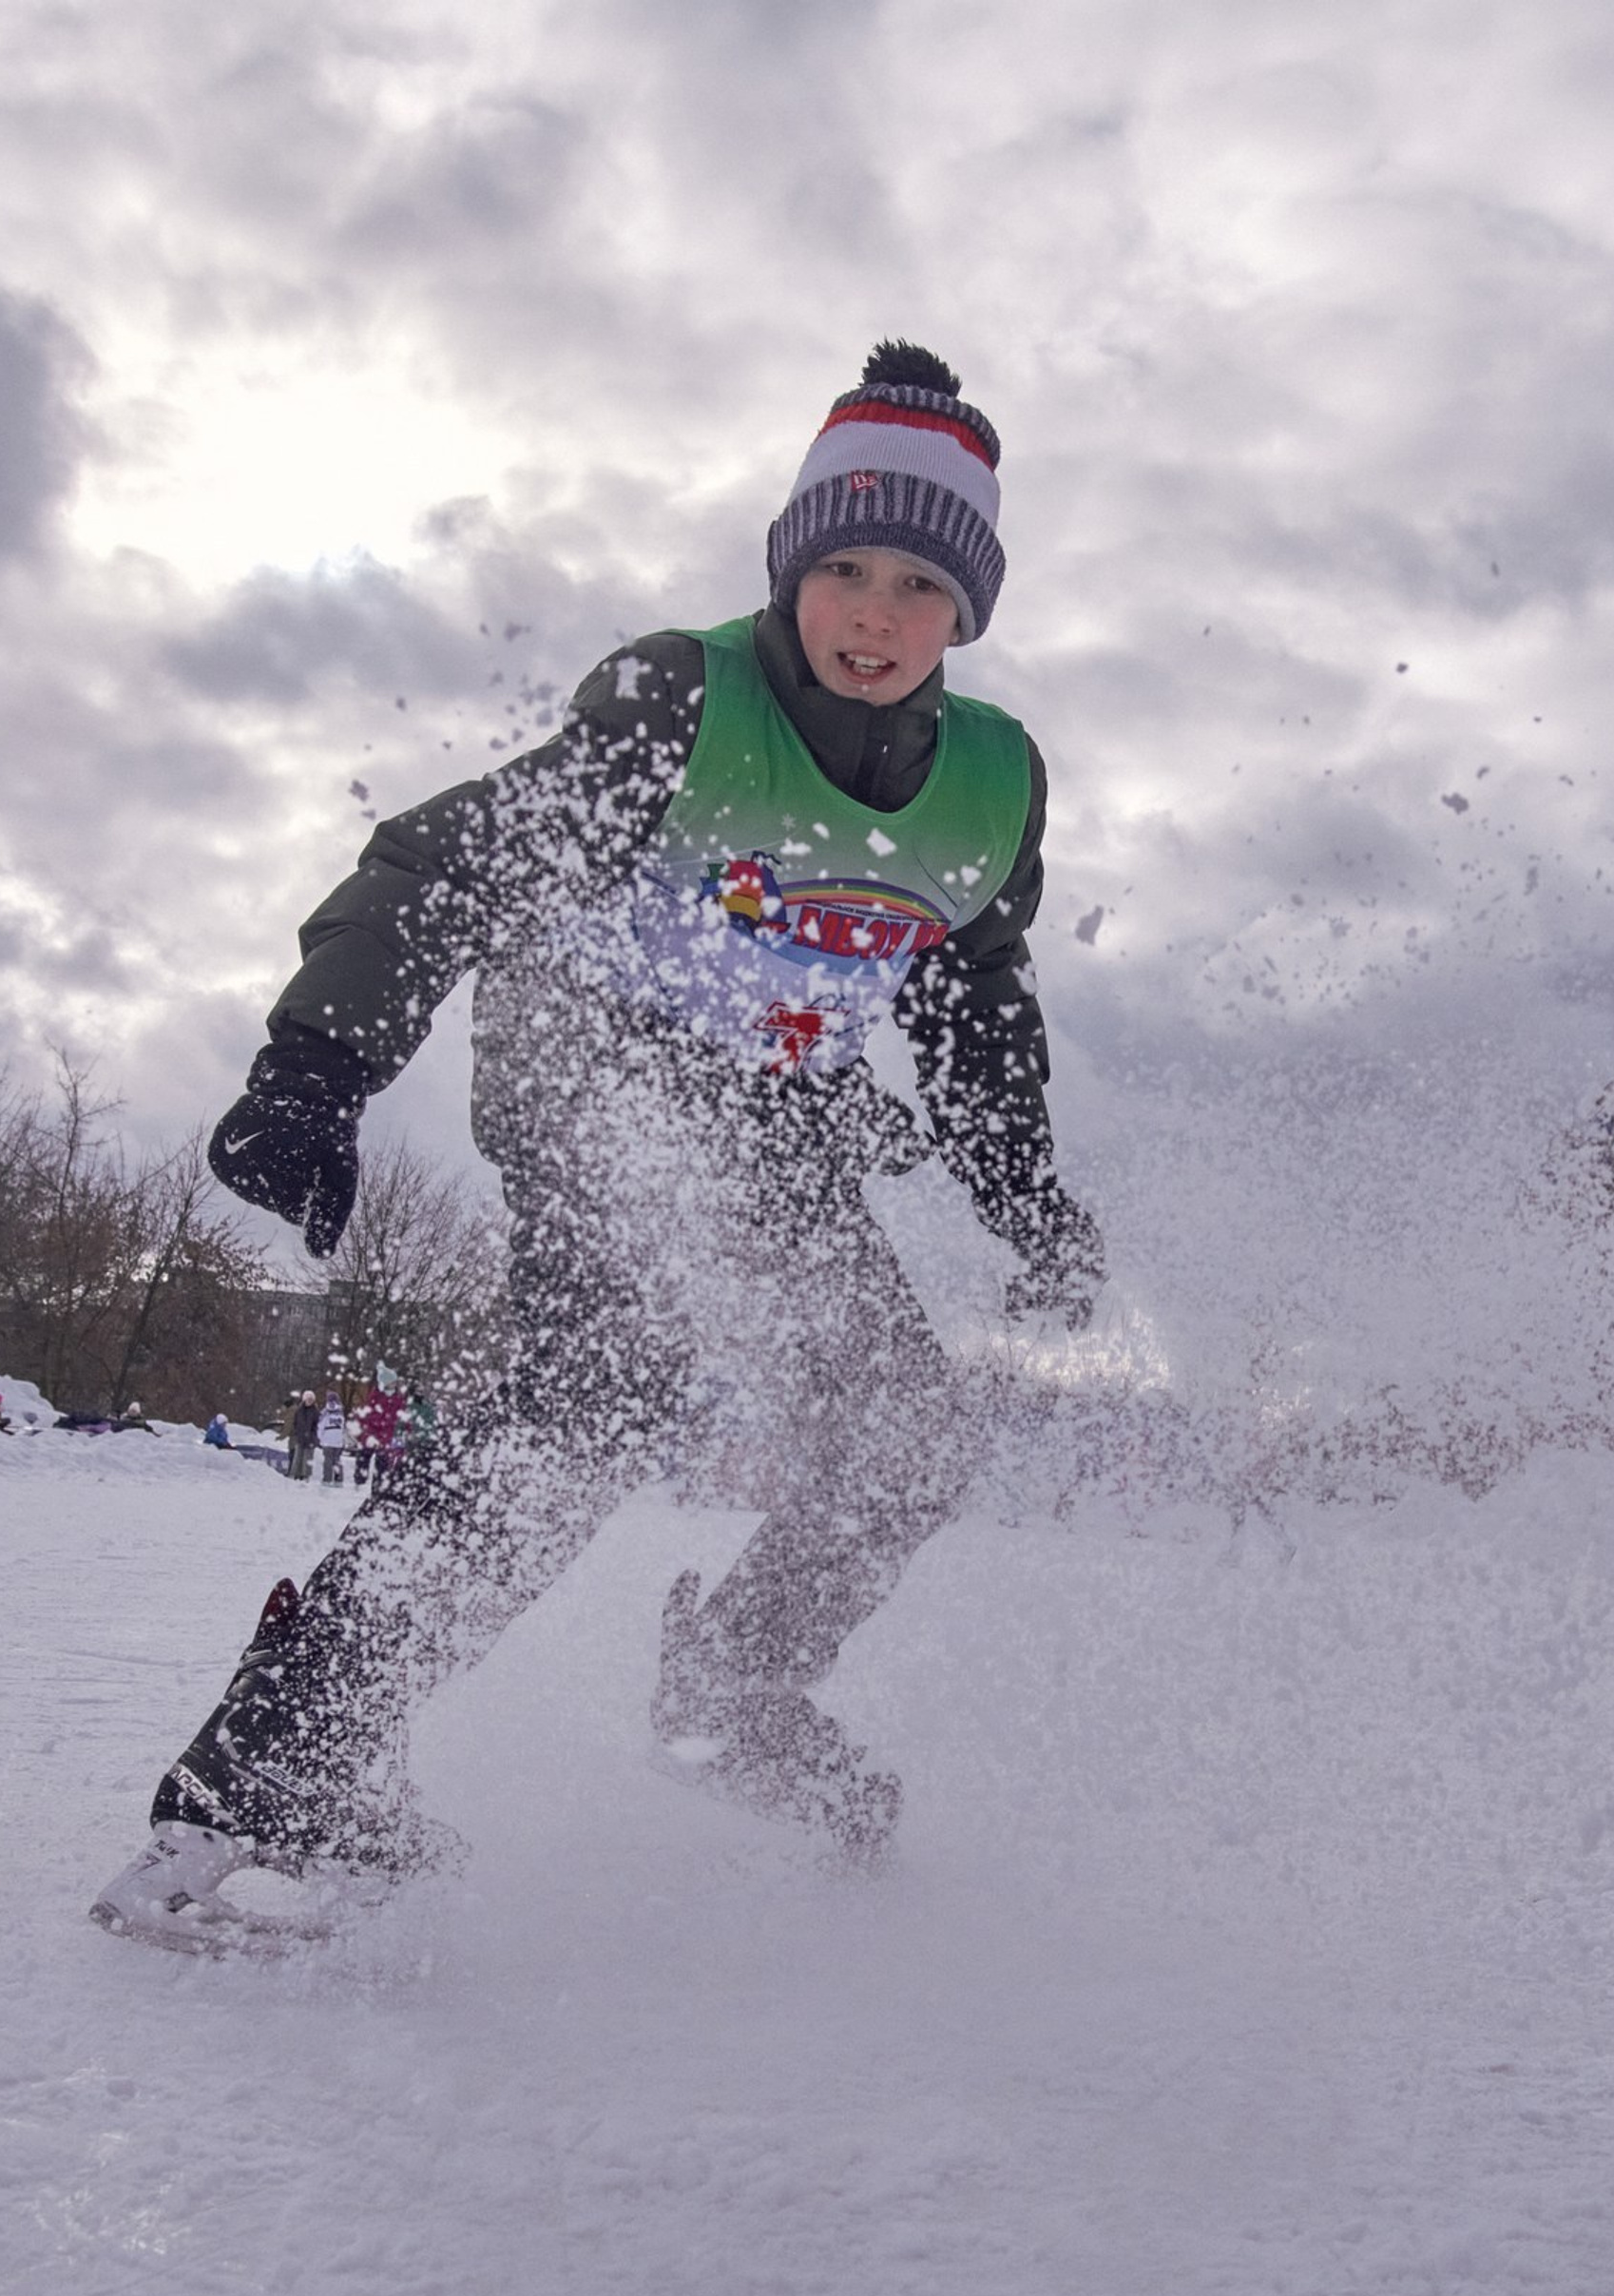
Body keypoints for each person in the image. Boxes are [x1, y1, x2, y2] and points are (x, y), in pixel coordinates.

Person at [92, 341, 1104, 1948]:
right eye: (841, 566)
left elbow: (977, 1007)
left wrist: (1029, 1202)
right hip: (597, 1078)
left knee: (905, 1429)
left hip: (778, 1137)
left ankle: (734, 1687)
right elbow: (445, 868)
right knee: (592, 1400)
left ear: (966, 610)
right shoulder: (681, 705)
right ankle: (279, 1772)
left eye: (917, 582)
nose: (871, 612)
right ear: (791, 567)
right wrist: (320, 1066)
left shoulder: (990, 788)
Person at [316, 1390, 348, 1484]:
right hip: (338, 1441)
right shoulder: (340, 1413)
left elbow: (320, 1426)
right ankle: (338, 1479)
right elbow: (343, 1427)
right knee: (337, 1460)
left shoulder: (326, 1412)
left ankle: (327, 1479)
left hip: (327, 1440)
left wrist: (320, 1438)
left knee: (328, 1461)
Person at [285, 1390, 318, 1482]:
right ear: (304, 1400)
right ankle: (296, 1474)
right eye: (308, 1399)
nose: (309, 1401)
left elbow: (316, 1425)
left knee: (307, 1458)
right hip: (300, 1437)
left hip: (310, 1438)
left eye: (311, 1400)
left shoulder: (315, 1411)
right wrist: (297, 1432)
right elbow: (296, 1423)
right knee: (298, 1456)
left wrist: (312, 1434)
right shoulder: (299, 1410)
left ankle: (305, 1475)